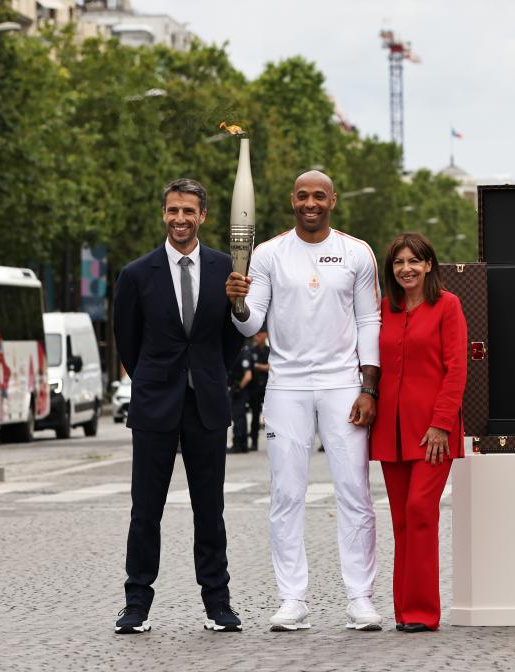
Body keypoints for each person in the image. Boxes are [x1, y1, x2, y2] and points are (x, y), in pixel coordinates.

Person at [224, 170, 383, 632]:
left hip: (342, 384)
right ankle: (292, 598)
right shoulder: (268, 254)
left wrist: (368, 387)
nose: (310, 203)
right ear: (292, 200)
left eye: (318, 196)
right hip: (287, 386)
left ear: (333, 200)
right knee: (286, 494)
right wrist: (237, 303)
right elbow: (251, 322)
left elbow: (369, 320)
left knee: (354, 492)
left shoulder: (357, 253)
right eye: (302, 196)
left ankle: (360, 598)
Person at [112, 178, 244, 634]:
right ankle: (136, 604)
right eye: (173, 210)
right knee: (145, 511)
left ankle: (218, 604)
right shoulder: (136, 274)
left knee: (210, 510)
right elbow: (127, 340)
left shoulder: (226, 269)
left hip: (207, 403)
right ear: (163, 213)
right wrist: (154, 377)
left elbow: (233, 336)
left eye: (189, 211)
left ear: (203, 215)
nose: (180, 219)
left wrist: (209, 372)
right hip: (154, 404)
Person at [371, 232, 468, 633]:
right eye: (398, 262)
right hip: (390, 430)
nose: (406, 268)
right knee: (401, 520)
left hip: (433, 432)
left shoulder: (448, 305)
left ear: (429, 265)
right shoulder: (383, 309)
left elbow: (457, 368)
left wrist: (442, 424)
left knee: (420, 512)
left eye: (414, 261)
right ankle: (404, 610)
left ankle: (423, 612)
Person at [247, 327, 270, 451]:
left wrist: (258, 366)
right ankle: (254, 442)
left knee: (272, 417)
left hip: (268, 388)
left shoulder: (270, 351)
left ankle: (273, 441)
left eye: (259, 335)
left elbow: (272, 367)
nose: (257, 338)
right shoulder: (251, 351)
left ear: (265, 335)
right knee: (255, 416)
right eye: (255, 335)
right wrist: (264, 367)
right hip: (255, 388)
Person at [228, 343, 253, 453]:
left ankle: (238, 444)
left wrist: (238, 388)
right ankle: (243, 445)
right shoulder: (238, 352)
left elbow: (248, 376)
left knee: (238, 417)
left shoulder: (243, 353)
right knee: (240, 417)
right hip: (238, 391)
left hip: (240, 391)